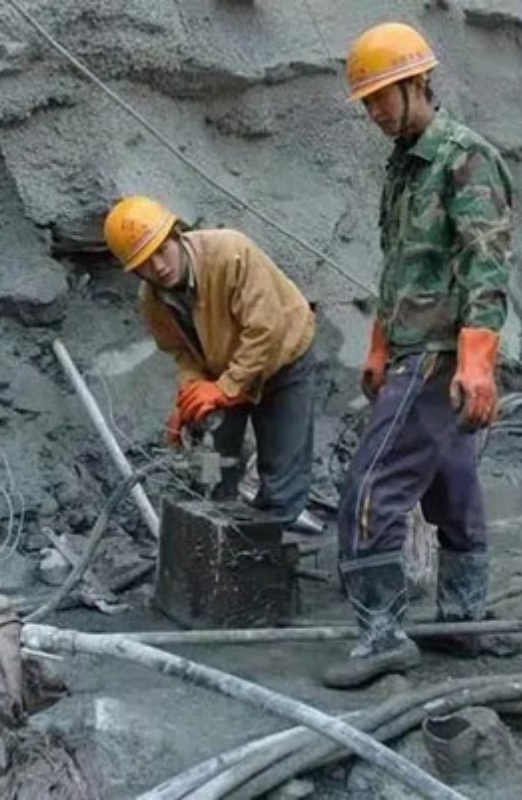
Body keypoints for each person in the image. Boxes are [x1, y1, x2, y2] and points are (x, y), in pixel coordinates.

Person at [324, 22, 515, 689]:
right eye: (367, 101)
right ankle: (462, 619)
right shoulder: (404, 166)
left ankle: (381, 635)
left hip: (439, 356)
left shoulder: (465, 158)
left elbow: (486, 265)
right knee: (452, 487)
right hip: (411, 348)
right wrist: (379, 344)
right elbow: (399, 266)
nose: (374, 112)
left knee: (371, 488)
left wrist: (477, 361)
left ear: (418, 83)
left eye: (382, 96)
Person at [103, 195, 317, 526]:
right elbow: (182, 352)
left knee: (281, 473)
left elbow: (266, 329)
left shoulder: (230, 253)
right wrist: (190, 395)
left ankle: (273, 539)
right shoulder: (152, 301)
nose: (158, 266)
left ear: (177, 234)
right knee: (212, 463)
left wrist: (226, 388)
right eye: (145, 262)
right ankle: (218, 522)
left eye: (162, 250)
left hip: (283, 359)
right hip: (224, 371)